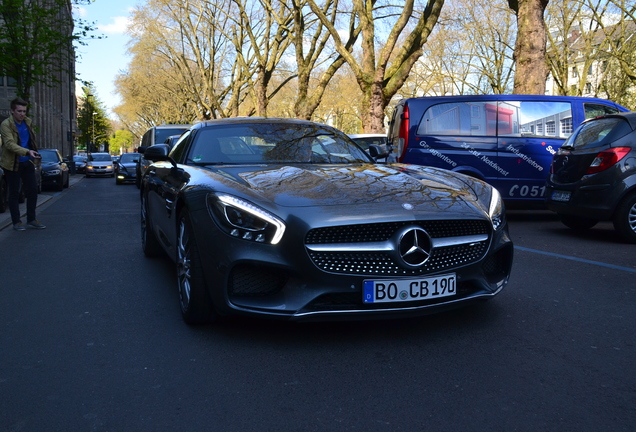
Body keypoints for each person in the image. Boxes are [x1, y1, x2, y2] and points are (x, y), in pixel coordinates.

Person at [0, 98, 45, 231]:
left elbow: (31, 140)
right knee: (14, 192)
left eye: (24, 111)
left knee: (32, 191)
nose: (22, 114)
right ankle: (16, 222)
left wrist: (34, 153)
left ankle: (31, 219)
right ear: (12, 111)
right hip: (12, 163)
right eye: (19, 111)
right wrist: (27, 152)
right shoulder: (6, 124)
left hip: (27, 161)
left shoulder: (27, 122)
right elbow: (9, 144)